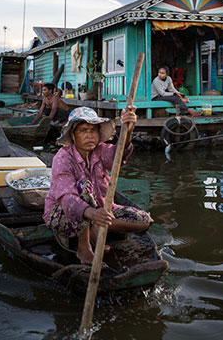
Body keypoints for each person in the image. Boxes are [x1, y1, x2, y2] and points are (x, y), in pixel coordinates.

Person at [44, 107, 153, 264]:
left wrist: (128, 131)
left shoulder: (100, 150)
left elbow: (118, 156)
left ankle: (97, 228)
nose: (89, 135)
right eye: (83, 130)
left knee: (144, 220)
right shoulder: (62, 158)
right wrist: (92, 213)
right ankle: (84, 247)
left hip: (101, 208)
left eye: (93, 130)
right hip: (63, 213)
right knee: (83, 187)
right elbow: (67, 198)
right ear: (73, 135)